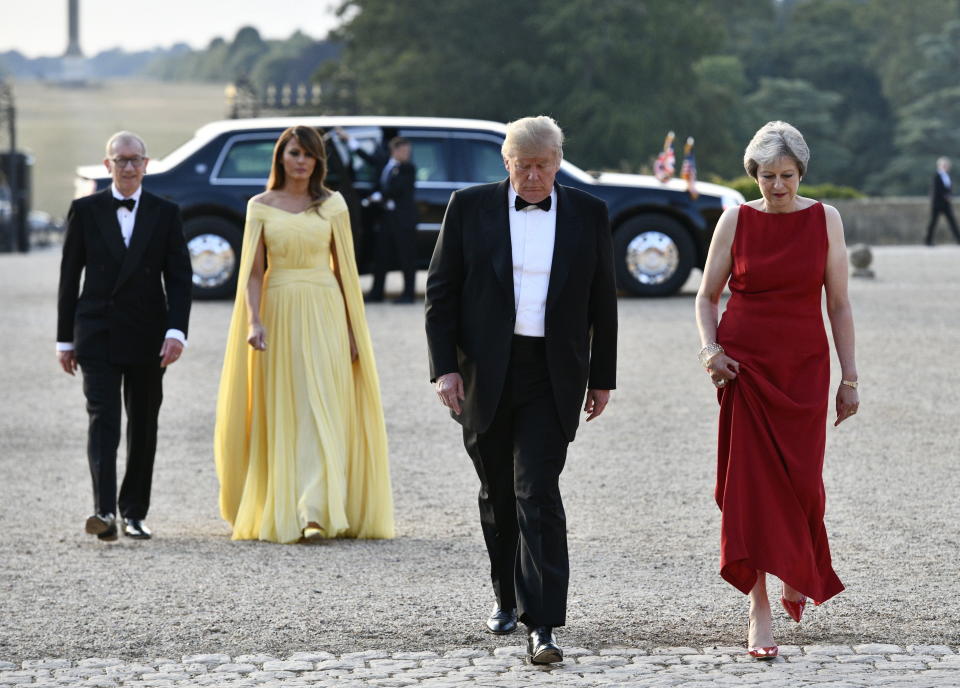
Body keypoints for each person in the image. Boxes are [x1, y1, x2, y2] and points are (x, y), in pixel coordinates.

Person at [425, 116, 617, 665]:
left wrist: (602, 377)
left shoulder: (588, 212)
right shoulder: (468, 206)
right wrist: (445, 370)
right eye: (523, 165)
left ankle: (545, 626)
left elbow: (604, 301)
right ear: (505, 162)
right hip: (485, 371)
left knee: (537, 492)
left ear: (558, 161)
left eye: (544, 164)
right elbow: (441, 294)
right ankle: (506, 597)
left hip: (551, 373)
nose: (534, 176)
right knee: (498, 494)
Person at [695, 121, 860, 660]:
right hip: (745, 370)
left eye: (787, 175)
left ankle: (797, 567)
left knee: (804, 485)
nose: (778, 186)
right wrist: (710, 351)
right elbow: (706, 297)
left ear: (801, 173)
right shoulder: (735, 219)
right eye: (768, 176)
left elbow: (837, 303)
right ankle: (759, 607)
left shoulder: (826, 219)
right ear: (754, 175)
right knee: (751, 491)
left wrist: (849, 378)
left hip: (805, 370)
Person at [213, 125, 393, 544]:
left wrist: (353, 331)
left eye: (309, 155)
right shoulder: (259, 206)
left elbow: (346, 271)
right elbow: (253, 274)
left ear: (318, 161)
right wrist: (254, 320)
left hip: (325, 308)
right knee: (287, 408)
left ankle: (315, 510)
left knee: (320, 405)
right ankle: (291, 505)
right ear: (281, 157)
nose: (301, 161)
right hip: (278, 311)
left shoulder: (333, 205)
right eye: (294, 152)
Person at [57, 131, 192, 542]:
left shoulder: (166, 213)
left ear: (146, 164)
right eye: (121, 160)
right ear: (107, 165)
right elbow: (69, 278)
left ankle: (134, 512)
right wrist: (65, 340)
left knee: (144, 424)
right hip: (96, 331)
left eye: (136, 159)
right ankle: (103, 511)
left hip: (149, 336)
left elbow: (181, 279)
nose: (129, 166)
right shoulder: (85, 210)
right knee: (104, 422)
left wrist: (176, 331)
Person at [368, 137, 418, 303]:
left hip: (403, 220)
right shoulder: (385, 165)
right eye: (404, 151)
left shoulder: (408, 168)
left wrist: (380, 196)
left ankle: (408, 294)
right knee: (381, 256)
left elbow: (399, 188)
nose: (407, 154)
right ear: (394, 151)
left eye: (408, 152)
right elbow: (369, 161)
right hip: (386, 219)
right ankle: (376, 293)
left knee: (407, 258)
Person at [925, 156, 960, 246]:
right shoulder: (936, 176)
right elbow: (936, 190)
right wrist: (945, 196)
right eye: (944, 165)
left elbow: (948, 189)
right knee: (933, 222)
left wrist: (950, 196)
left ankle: (958, 240)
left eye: (946, 165)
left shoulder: (948, 176)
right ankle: (928, 241)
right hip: (937, 203)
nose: (945, 167)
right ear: (939, 166)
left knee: (952, 222)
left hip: (946, 204)